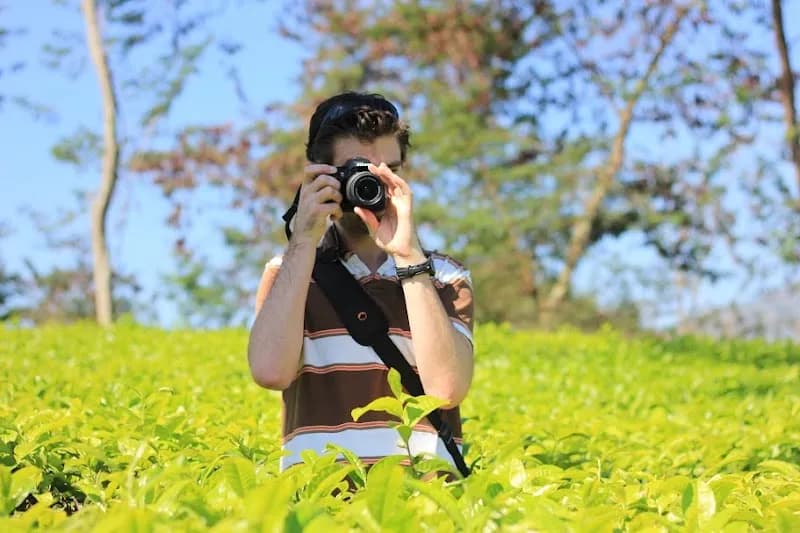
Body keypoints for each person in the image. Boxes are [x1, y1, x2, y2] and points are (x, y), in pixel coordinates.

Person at [247, 91, 474, 474]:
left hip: (427, 506)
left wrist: (408, 257)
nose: (374, 186)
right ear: (319, 175)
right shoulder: (288, 273)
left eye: (389, 171)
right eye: (358, 170)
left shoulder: (446, 276)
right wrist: (303, 240)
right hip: (322, 507)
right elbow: (270, 371)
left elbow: (446, 390)